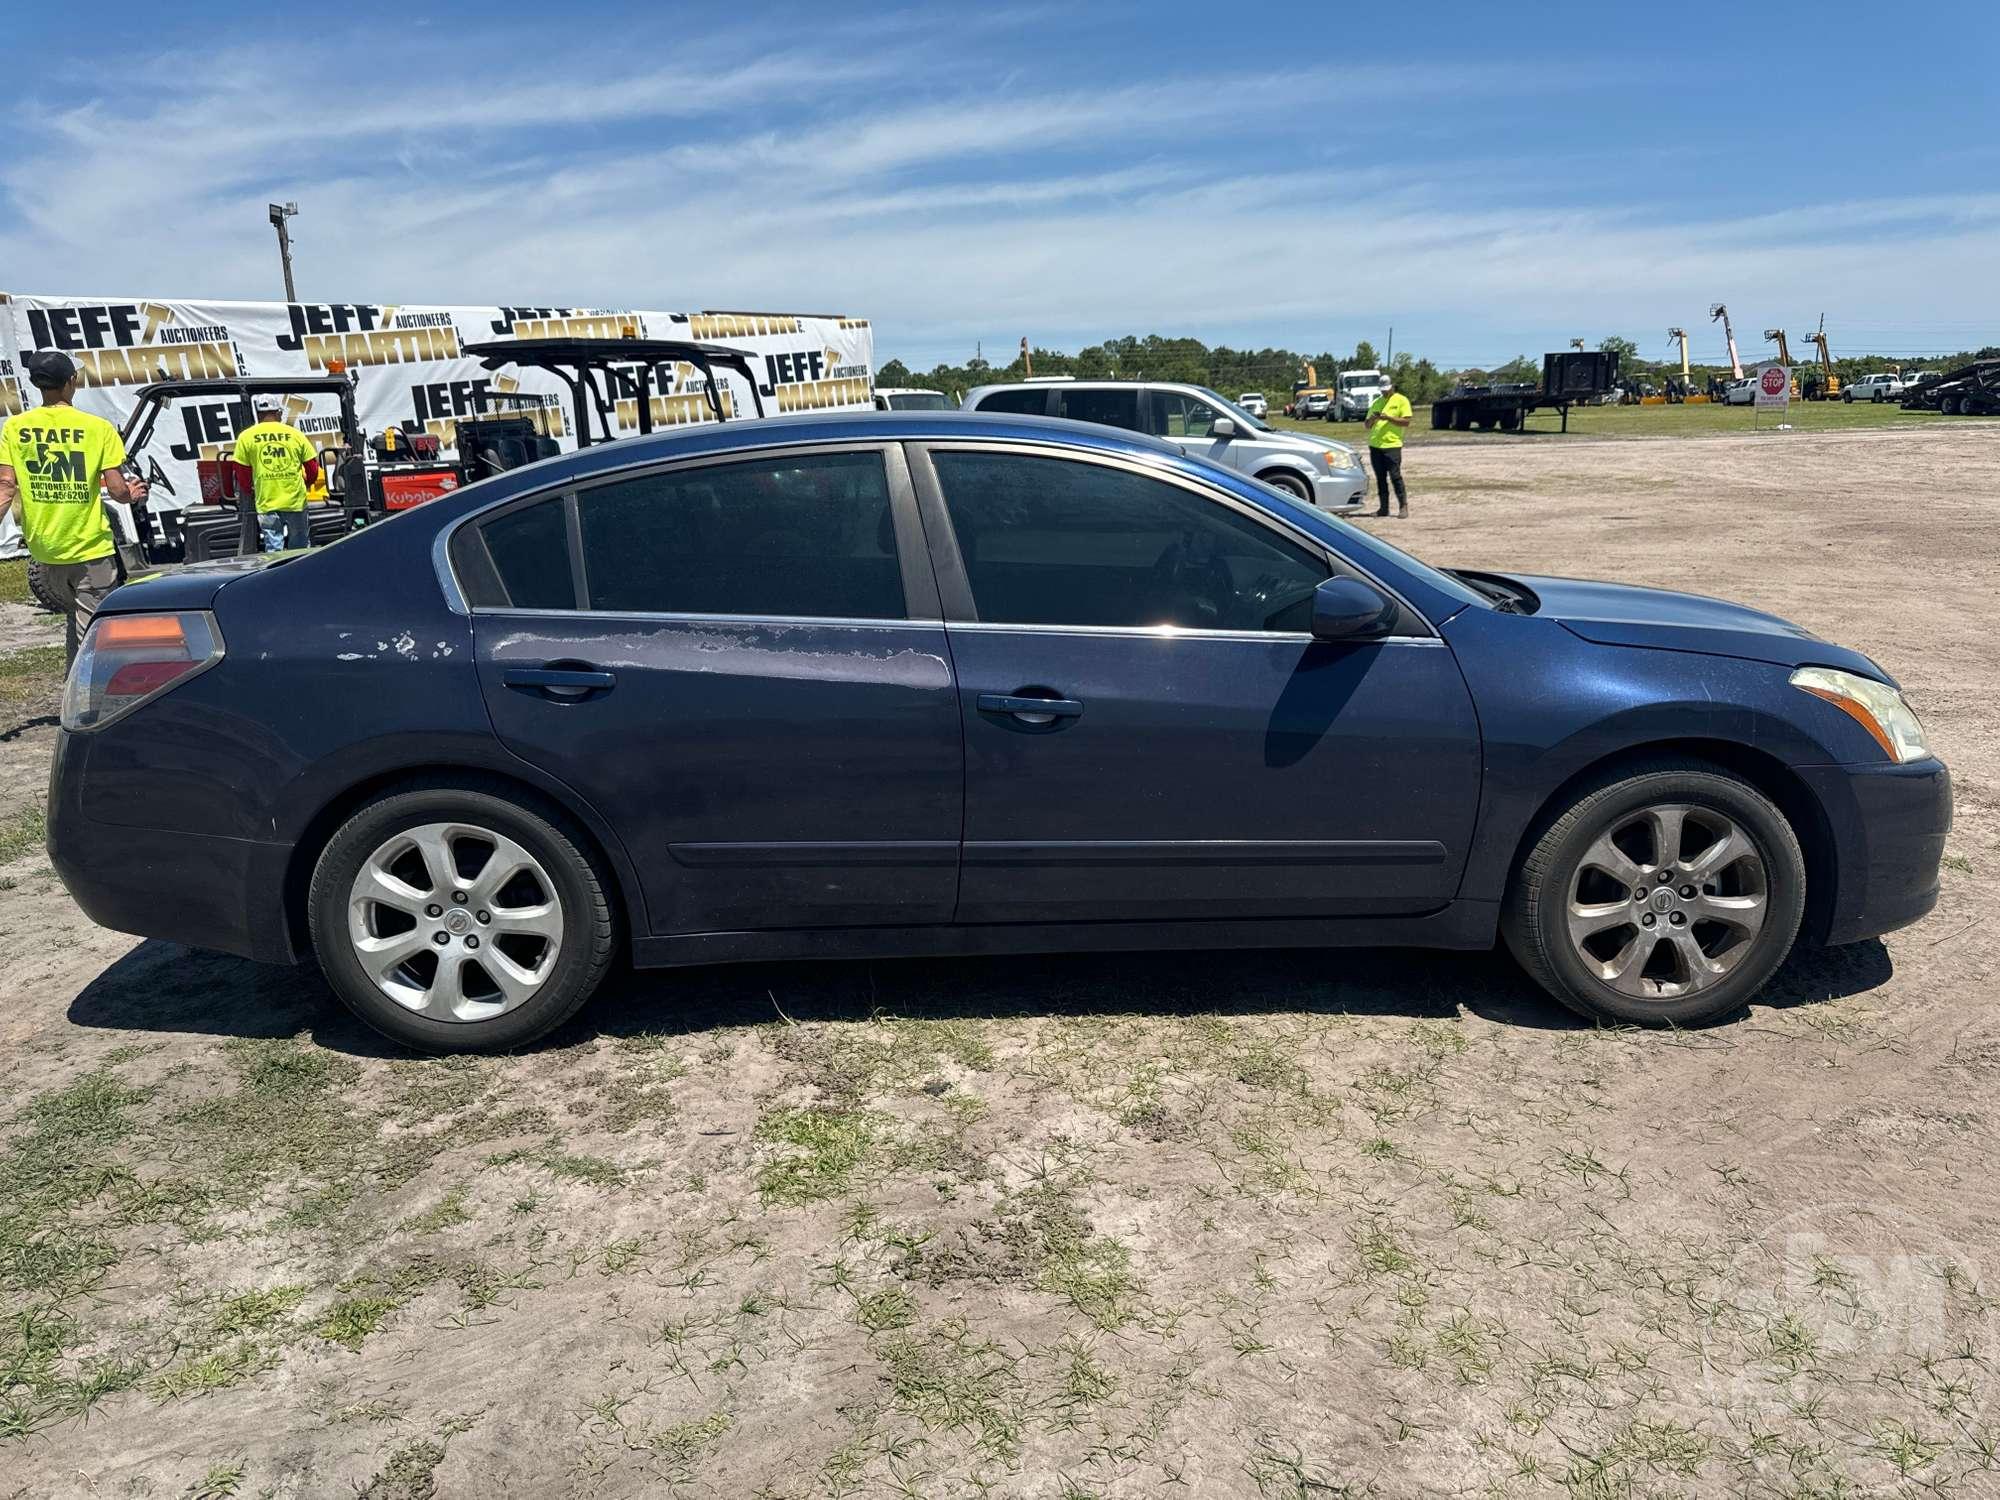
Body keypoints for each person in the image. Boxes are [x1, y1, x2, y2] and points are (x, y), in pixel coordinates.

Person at [0, 351, 149, 660]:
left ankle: (75, 690)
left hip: (45, 553)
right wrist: (132, 495)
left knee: (77, 623)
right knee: (94, 639)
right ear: (71, 382)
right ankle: (90, 706)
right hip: (89, 549)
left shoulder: (15, 428)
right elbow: (118, 489)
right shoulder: (98, 428)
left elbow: (5, 487)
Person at [229, 396, 321, 552]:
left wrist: (248, 489)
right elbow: (312, 466)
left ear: (258, 415)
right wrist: (308, 483)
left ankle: (278, 575)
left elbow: (241, 470)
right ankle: (300, 574)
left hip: (266, 500)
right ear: (279, 413)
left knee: (273, 548)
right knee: (300, 547)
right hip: (295, 500)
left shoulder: (246, 437)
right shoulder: (295, 434)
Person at [1363, 376, 1413, 517]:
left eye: (1387, 389)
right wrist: (1373, 418)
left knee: (1395, 476)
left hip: (1392, 445)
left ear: (1392, 386)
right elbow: (1366, 425)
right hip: (1375, 446)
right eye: (1382, 390)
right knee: (1380, 478)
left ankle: (1403, 506)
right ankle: (1383, 508)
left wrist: (1389, 418)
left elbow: (1406, 421)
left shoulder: (1401, 400)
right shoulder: (1377, 402)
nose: (1384, 393)